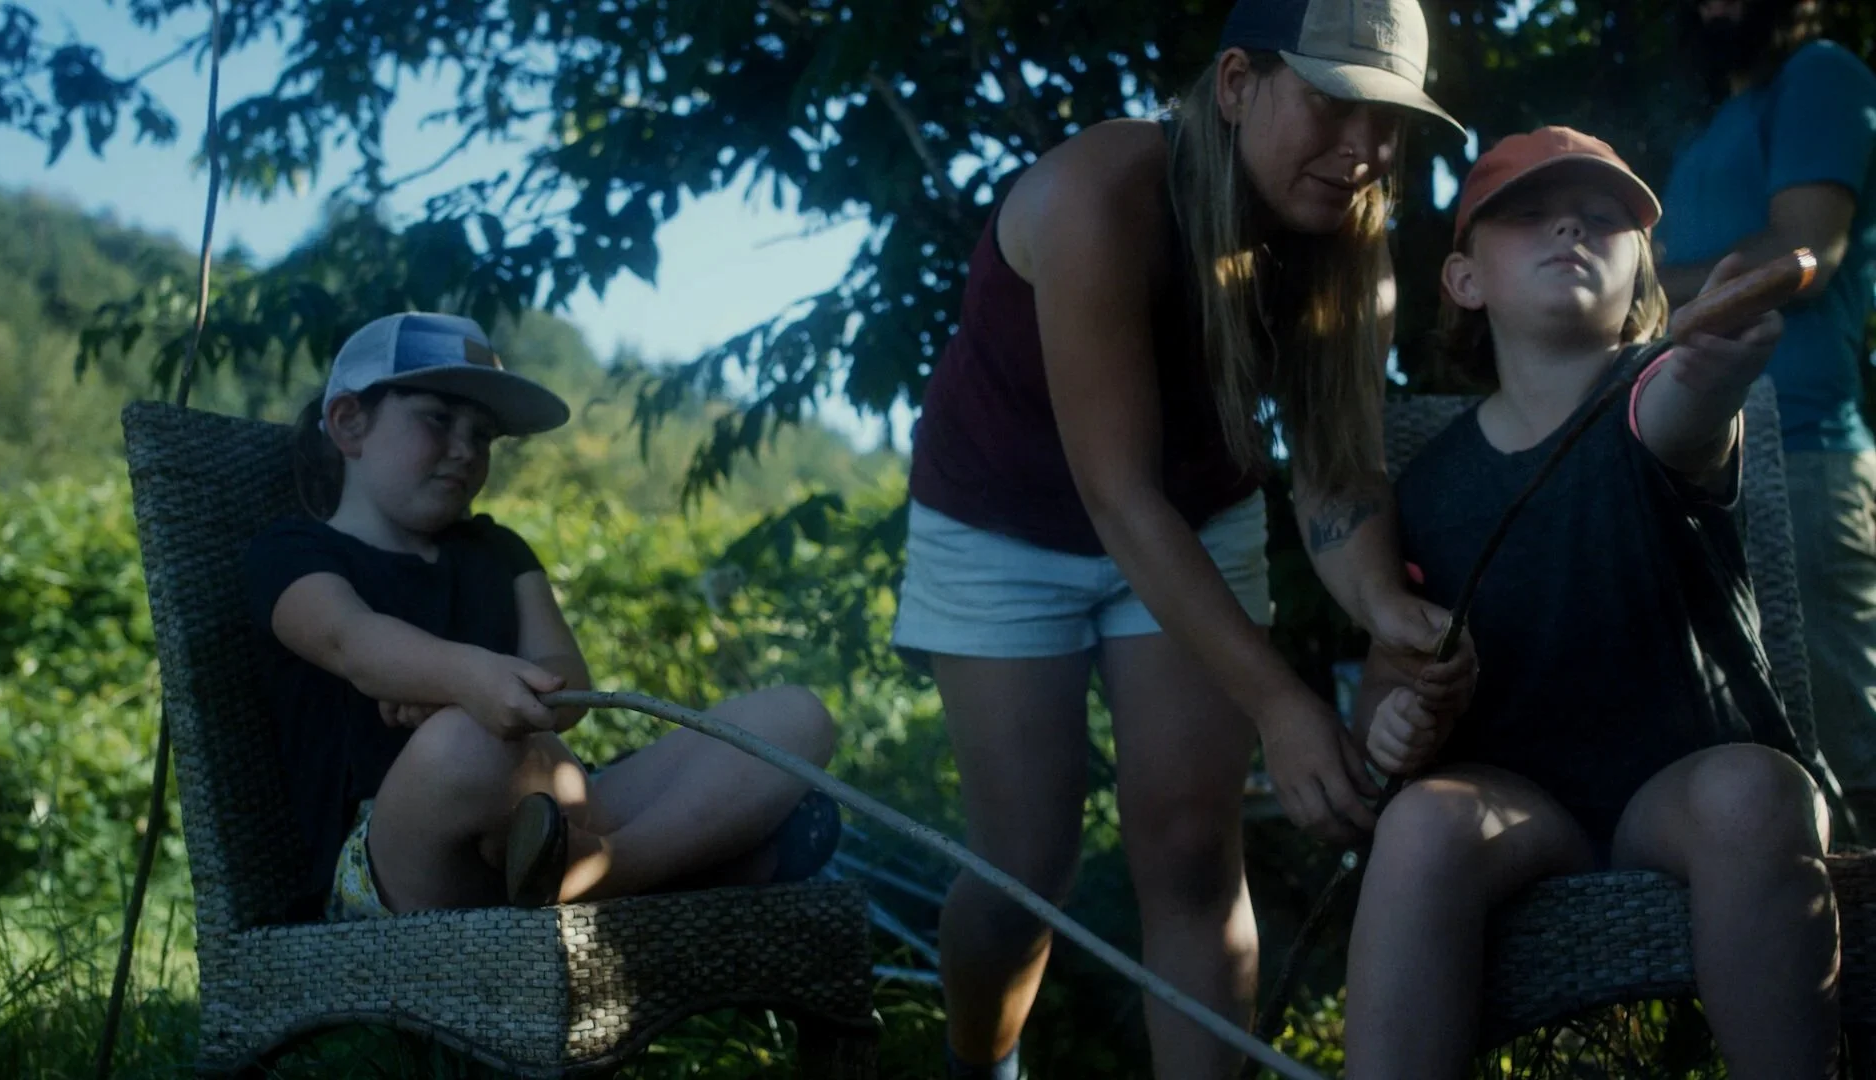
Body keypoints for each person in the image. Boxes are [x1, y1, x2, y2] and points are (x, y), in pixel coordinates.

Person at [891, 1, 1474, 1075]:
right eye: (1333, 102)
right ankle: (980, 1065)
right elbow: (1117, 494)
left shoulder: (1350, 248)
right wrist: (1281, 706)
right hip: (999, 528)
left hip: (1194, 515)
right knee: (1028, 863)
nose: (1364, 150)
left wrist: (1386, 608)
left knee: (1194, 853)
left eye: (1388, 121)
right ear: (1237, 84)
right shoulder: (1096, 194)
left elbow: (1335, 475)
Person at [1344, 127, 1839, 1079]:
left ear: (1644, 276)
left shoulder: (1648, 393)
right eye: (1525, 213)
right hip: (1524, 802)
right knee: (1418, 822)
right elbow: (1385, 685)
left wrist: (1712, 369)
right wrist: (1392, 726)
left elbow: (1682, 410)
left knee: (1755, 791)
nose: (1568, 223)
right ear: (1462, 282)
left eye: (1604, 218)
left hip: (1683, 783)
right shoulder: (1424, 489)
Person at [246, 312, 840, 924]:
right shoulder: (290, 554)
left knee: (796, 717)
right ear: (349, 422)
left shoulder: (497, 552)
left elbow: (565, 677)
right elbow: (352, 642)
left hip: (549, 817)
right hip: (392, 864)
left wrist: (477, 692)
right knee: (464, 743)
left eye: (482, 436)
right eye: (438, 419)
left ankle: (604, 868)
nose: (464, 450)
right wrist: (460, 684)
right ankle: (660, 873)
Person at [1657, 0, 1876, 830]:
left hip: (1806, 456)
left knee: (1850, 758)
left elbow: (1804, 253)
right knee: (1751, 767)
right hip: (1704, 473)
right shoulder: (1712, 128)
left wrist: (1633, 289)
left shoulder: (1822, 74)